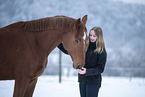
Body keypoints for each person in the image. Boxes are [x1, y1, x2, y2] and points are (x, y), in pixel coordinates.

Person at [77, 26, 107, 97]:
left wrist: (87, 71)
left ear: (99, 37)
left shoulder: (101, 51)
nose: (91, 37)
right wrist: (78, 67)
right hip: (82, 80)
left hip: (93, 82)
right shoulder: (85, 47)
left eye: (94, 36)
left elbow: (100, 69)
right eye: (90, 35)